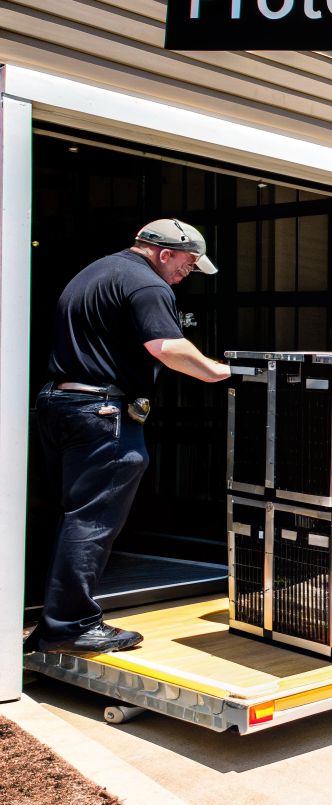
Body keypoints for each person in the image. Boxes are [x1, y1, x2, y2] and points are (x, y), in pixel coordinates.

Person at [28, 220, 231, 654]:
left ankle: (52, 621)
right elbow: (168, 348)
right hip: (101, 412)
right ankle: (71, 625)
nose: (187, 273)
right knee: (93, 519)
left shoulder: (97, 272)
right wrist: (224, 372)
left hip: (59, 403)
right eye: (188, 264)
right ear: (164, 253)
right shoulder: (147, 285)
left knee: (69, 514)